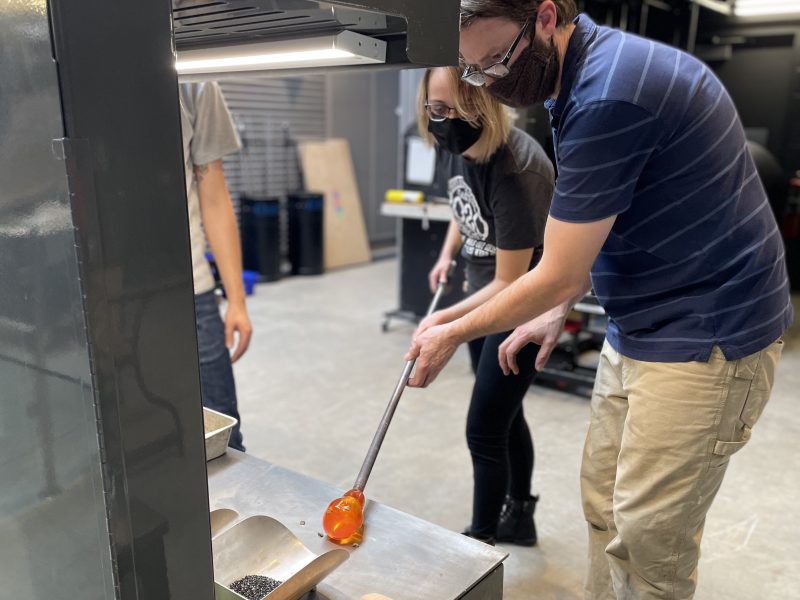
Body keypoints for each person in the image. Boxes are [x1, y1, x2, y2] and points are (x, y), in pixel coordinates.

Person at [407, 1, 792, 598]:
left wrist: (452, 331)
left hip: (707, 336)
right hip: (639, 319)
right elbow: (605, 221)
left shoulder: (611, 93)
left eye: (497, 61)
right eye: (475, 71)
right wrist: (558, 305)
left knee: (647, 546)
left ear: (545, 16)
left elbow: (555, 271)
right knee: (604, 504)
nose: (493, 83)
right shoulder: (574, 79)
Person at [415, 66, 554, 545]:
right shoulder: (458, 148)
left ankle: (479, 543)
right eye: (438, 109)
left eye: (462, 108)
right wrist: (446, 254)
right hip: (483, 303)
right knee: (504, 415)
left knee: (483, 429)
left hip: (520, 311)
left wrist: (447, 320)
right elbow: (465, 204)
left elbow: (511, 283)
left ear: (488, 105)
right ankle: (520, 516)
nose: (448, 119)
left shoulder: (518, 169)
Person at [180, 82, 253, 451]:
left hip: (193, 291)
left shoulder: (194, 78)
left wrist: (236, 300)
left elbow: (214, 196)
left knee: (222, 438)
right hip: (104, 297)